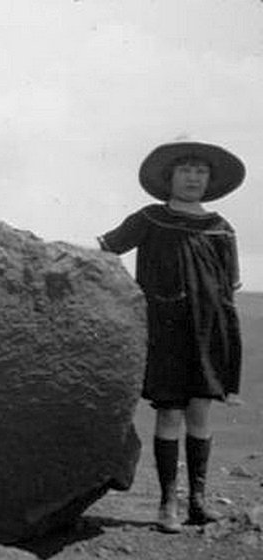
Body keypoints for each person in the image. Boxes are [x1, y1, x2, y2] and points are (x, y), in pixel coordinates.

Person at [98, 140, 245, 533]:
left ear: (210, 180)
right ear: (169, 178)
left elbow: (228, 289)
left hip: (208, 330)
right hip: (166, 330)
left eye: (201, 171)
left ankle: (197, 501)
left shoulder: (221, 228)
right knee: (170, 412)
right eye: (186, 170)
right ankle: (167, 504)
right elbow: (105, 250)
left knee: (200, 411)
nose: (193, 177)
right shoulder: (150, 218)